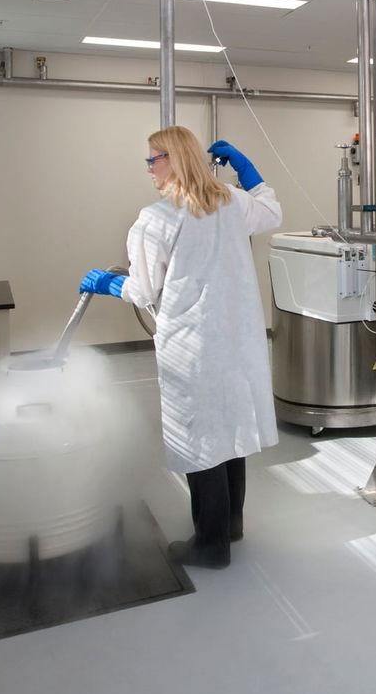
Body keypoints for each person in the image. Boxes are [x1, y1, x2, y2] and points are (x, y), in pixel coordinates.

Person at [79, 127, 282, 569]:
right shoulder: (231, 201)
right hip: (236, 339)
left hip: (192, 345)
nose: (149, 169)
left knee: (199, 439)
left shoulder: (156, 218)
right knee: (228, 429)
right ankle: (230, 525)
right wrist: (247, 170)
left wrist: (110, 283)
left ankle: (210, 546)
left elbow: (144, 289)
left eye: (154, 159)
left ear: (173, 159)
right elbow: (272, 211)